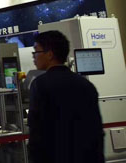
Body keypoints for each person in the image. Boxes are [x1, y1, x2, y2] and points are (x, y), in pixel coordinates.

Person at [28, 30, 104, 163]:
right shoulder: (86, 85)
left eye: (36, 51)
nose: (34, 57)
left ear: (50, 54)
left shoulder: (40, 85)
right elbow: (96, 131)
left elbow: (37, 130)